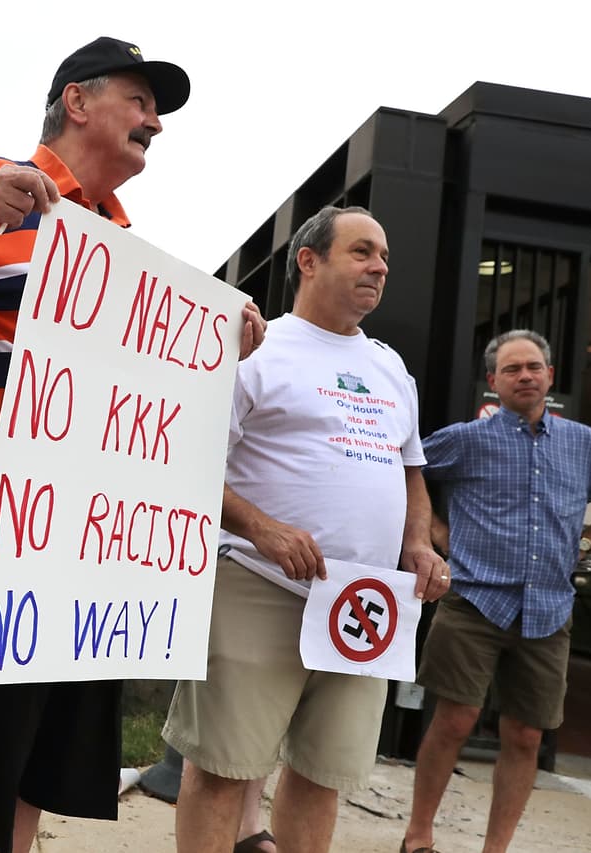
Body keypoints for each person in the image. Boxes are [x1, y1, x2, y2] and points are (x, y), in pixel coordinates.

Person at [0, 35, 267, 853]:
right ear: (77, 102)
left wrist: (214, 355)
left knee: (29, 782)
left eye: (156, 109)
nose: (154, 121)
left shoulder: (128, 250)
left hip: (77, 569)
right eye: (140, 100)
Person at [163, 205, 450, 853]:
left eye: (384, 258)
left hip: (364, 605)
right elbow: (189, 460)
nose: (379, 266)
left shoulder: (389, 366)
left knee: (322, 776)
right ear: (309, 259)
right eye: (362, 251)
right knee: (219, 767)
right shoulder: (255, 349)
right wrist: (262, 528)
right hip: (258, 585)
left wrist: (417, 541)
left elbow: (411, 474)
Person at [400, 329, 591, 853]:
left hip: (549, 611)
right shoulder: (469, 439)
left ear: (550, 376)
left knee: (526, 735)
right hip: (474, 603)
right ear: (493, 381)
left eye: (533, 367)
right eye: (511, 369)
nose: (525, 376)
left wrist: (583, 540)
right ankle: (418, 836)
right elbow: (407, 469)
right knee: (455, 720)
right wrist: (435, 535)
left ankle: (496, 849)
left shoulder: (587, 444)